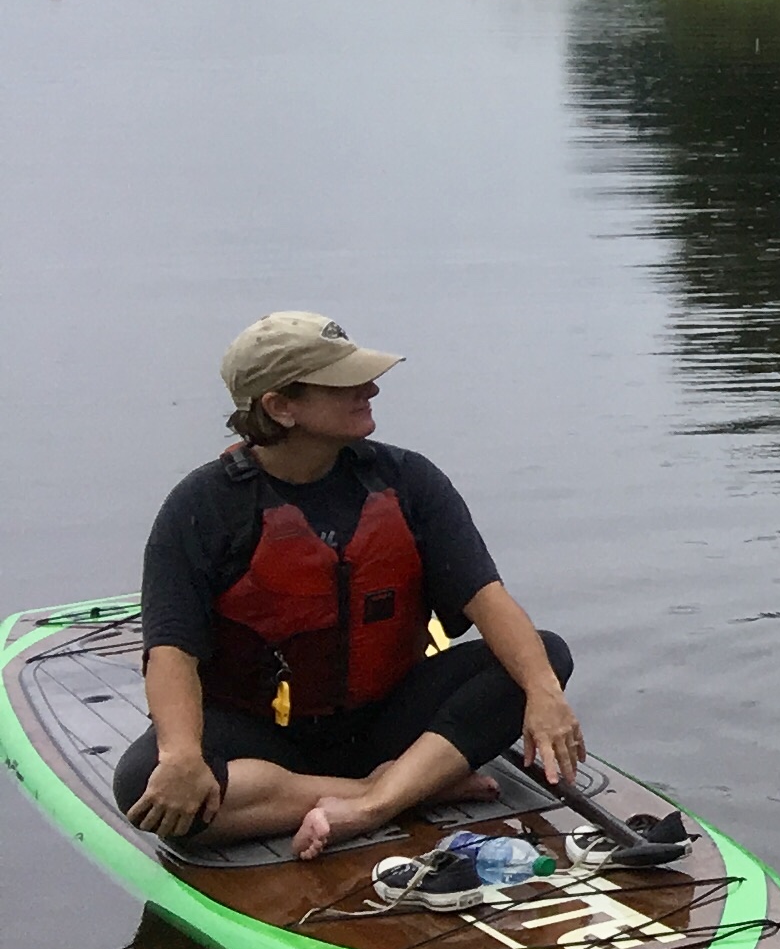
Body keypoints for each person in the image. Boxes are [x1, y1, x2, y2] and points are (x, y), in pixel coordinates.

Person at [122, 313, 582, 860]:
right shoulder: (201, 508)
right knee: (144, 784)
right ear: (280, 407)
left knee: (543, 658)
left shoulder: (408, 480)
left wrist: (544, 694)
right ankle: (399, 787)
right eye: (344, 382)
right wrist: (180, 756)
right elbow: (171, 651)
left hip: (388, 723)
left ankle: (375, 801)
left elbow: (487, 598)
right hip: (263, 734)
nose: (371, 388)